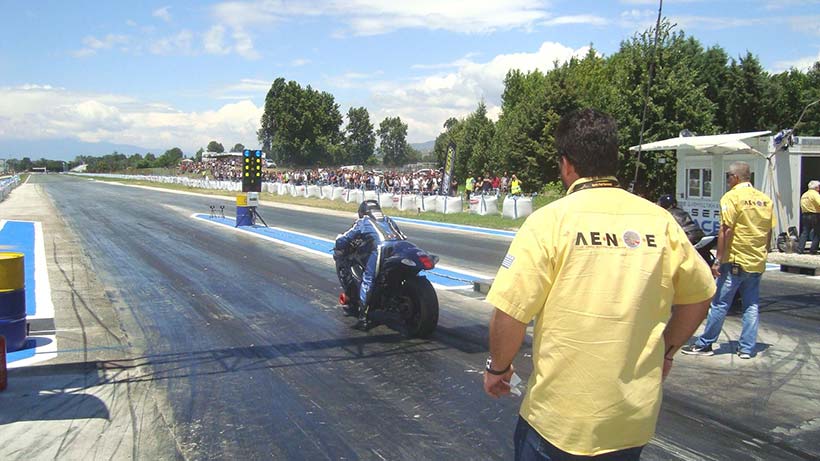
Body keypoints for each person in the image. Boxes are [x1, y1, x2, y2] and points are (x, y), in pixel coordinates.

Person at [483, 108, 715, 460]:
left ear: (566, 164)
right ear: (613, 159)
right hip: (631, 421)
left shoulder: (548, 222)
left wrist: (497, 368)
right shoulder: (660, 221)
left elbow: (510, 314)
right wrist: (666, 351)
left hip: (558, 423)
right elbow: (700, 295)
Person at [682, 161, 776, 359]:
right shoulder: (765, 199)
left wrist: (718, 259)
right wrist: (764, 253)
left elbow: (726, 229)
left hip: (735, 259)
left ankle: (705, 344)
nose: (727, 181)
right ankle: (747, 348)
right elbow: (768, 231)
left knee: (720, 303)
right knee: (751, 305)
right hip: (756, 260)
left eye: (728, 177)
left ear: (735, 177)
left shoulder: (732, 197)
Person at [334, 200, 406, 329]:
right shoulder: (388, 219)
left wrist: (338, 240)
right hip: (401, 248)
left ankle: (363, 318)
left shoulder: (364, 221)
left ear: (362, 212)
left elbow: (346, 238)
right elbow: (401, 235)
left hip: (381, 249)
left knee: (368, 279)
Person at [797, 180, 820, 254]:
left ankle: (800, 249)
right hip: (814, 215)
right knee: (817, 233)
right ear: (816, 187)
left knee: (805, 232)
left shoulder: (804, 195)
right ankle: (813, 250)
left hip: (805, 215)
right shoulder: (815, 194)